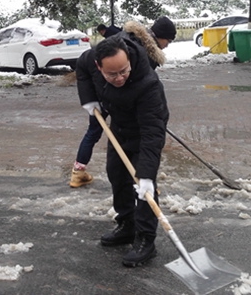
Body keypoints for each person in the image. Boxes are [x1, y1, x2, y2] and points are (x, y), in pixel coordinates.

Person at [75, 34, 169, 267]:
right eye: (111, 74)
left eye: (124, 71)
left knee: (143, 187)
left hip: (144, 129)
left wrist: (146, 174)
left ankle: (146, 239)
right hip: (119, 125)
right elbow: (82, 67)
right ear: (100, 67)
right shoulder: (92, 60)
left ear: (129, 61)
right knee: (116, 174)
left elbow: (152, 133)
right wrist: (89, 99)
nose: (119, 78)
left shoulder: (148, 84)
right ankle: (127, 224)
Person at [69, 16, 175, 188]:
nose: (167, 45)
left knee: (95, 131)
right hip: (105, 96)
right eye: (168, 41)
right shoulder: (142, 52)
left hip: (111, 95)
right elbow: (84, 62)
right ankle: (139, 182)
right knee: (128, 136)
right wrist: (90, 99)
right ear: (160, 36)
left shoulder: (136, 42)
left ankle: (78, 172)